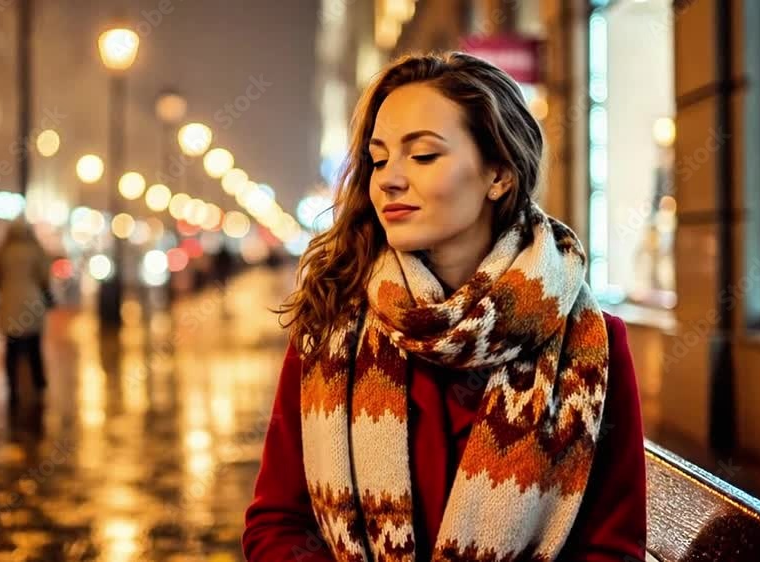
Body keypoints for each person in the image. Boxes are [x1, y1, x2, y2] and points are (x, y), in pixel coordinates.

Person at [243, 52, 646, 561]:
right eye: (379, 159)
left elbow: (612, 549)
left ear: (499, 174)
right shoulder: (329, 327)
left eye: (423, 155)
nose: (388, 179)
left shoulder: (590, 344)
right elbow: (277, 523)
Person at [0, 220, 50, 410]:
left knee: (12, 349)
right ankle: (38, 383)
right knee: (34, 346)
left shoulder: (4, 251)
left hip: (9, 302)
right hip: (32, 301)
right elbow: (44, 276)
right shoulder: (35, 250)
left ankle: (12, 388)